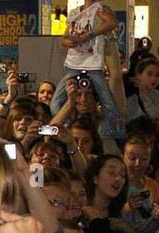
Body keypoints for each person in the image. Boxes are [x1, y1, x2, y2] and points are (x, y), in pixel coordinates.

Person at [48, 0, 125, 146]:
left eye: (88, 94)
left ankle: (106, 133)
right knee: (55, 103)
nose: (82, 99)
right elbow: (47, 135)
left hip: (93, 64)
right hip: (73, 63)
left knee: (110, 106)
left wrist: (93, 36)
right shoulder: (74, 13)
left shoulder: (100, 9)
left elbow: (116, 78)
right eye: (78, 94)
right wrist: (70, 103)